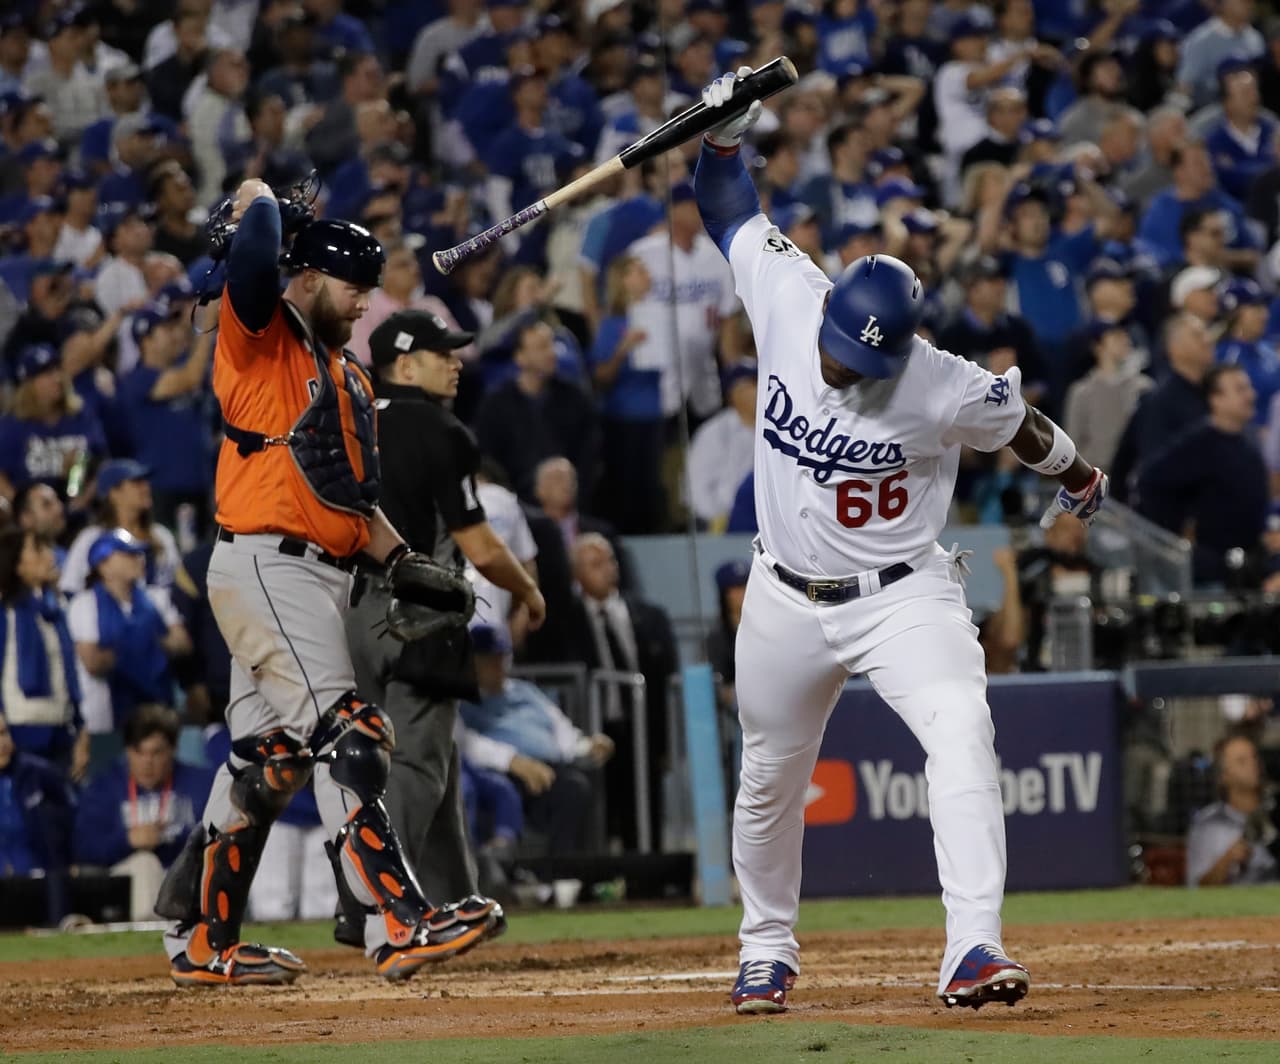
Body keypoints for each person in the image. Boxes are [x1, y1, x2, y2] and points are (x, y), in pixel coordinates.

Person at [693, 67, 1109, 1014]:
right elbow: (726, 204)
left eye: (867, 362)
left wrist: (1079, 470)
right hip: (784, 595)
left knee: (962, 726)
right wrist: (721, 135)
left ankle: (973, 947)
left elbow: (1025, 427)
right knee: (766, 780)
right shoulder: (794, 295)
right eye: (842, 350)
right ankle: (765, 946)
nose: (846, 369)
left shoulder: (938, 380)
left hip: (902, 594)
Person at [152, 179, 502, 988]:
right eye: (353, 289)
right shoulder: (260, 334)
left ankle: (201, 939)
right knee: (353, 734)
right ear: (305, 278)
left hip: (315, 570)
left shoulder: (341, 371)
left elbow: (348, 492)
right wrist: (261, 197)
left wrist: (401, 561)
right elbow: (251, 239)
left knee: (267, 760)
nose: (364, 305)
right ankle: (396, 923)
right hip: (268, 564)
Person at [336, 309, 546, 943]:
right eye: (439, 353)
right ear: (405, 365)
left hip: (346, 610)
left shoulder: (348, 420)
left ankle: (460, 900)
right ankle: (370, 907)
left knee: (426, 760)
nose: (455, 362)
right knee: (415, 769)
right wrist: (529, 589)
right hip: (417, 612)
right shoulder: (440, 429)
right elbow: (480, 548)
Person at [457, 624, 614, 857]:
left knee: (576, 785)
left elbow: (562, 730)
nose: (497, 665)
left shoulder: (525, 692)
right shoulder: (462, 700)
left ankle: (562, 875)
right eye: (489, 659)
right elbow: (464, 742)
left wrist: (589, 745)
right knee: (512, 791)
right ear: (472, 661)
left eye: (501, 657)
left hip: (550, 768)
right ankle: (521, 872)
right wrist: (513, 761)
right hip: (501, 772)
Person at [568, 533, 677, 853]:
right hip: (594, 728)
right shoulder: (567, 621)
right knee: (601, 810)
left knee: (646, 804)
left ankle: (649, 878)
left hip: (642, 727)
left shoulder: (650, 616)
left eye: (608, 561)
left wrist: (664, 739)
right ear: (577, 574)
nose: (605, 569)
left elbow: (664, 673)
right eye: (593, 564)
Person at [74, 705, 213, 921]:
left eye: (157, 752)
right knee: (145, 864)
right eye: (139, 752)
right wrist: (128, 841)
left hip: (186, 881)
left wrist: (176, 844)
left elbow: (218, 840)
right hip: (126, 884)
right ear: (128, 751)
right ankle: (151, 940)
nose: (148, 762)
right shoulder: (103, 788)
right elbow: (84, 849)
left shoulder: (200, 784)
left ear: (173, 749)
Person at [1137, 365, 1269, 585]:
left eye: (1248, 388)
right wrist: (1179, 538)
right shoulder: (1197, 445)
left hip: (1248, 567)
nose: (1251, 395)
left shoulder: (1249, 441)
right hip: (1212, 577)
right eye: (1240, 390)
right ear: (1216, 399)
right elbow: (1150, 483)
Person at [68, 528, 190, 733]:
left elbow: (183, 645)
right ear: (104, 565)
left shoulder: (155, 598)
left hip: (159, 710)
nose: (139, 559)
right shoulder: (85, 603)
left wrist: (126, 647)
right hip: (104, 718)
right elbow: (94, 662)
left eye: (139, 553)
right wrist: (147, 646)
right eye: (128, 554)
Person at [0, 526, 86, 778]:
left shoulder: (56, 609)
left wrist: (81, 730)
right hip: (19, 733)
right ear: (16, 564)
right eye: (38, 550)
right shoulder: (6, 611)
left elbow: (69, 672)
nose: (51, 557)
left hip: (62, 731)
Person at [60, 460, 182, 595]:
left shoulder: (161, 535)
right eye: (136, 482)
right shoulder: (91, 538)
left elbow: (178, 585)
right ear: (114, 493)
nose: (146, 487)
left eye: (145, 481)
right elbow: (70, 586)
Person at [0, 710, 75, 926]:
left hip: (39, 885)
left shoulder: (40, 774)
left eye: (4, 733)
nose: (3, 742)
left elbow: (71, 822)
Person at [1186, 730, 1279, 886]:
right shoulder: (1208, 825)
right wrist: (1227, 860)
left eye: (1254, 757)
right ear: (1224, 776)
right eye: (1242, 761)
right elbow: (1195, 888)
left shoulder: (1275, 809)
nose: (1253, 764)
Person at [687, 360, 759, 530]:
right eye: (751, 386)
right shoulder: (714, 432)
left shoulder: (777, 431)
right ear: (733, 393)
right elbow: (696, 487)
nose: (758, 391)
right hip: (722, 521)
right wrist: (715, 519)